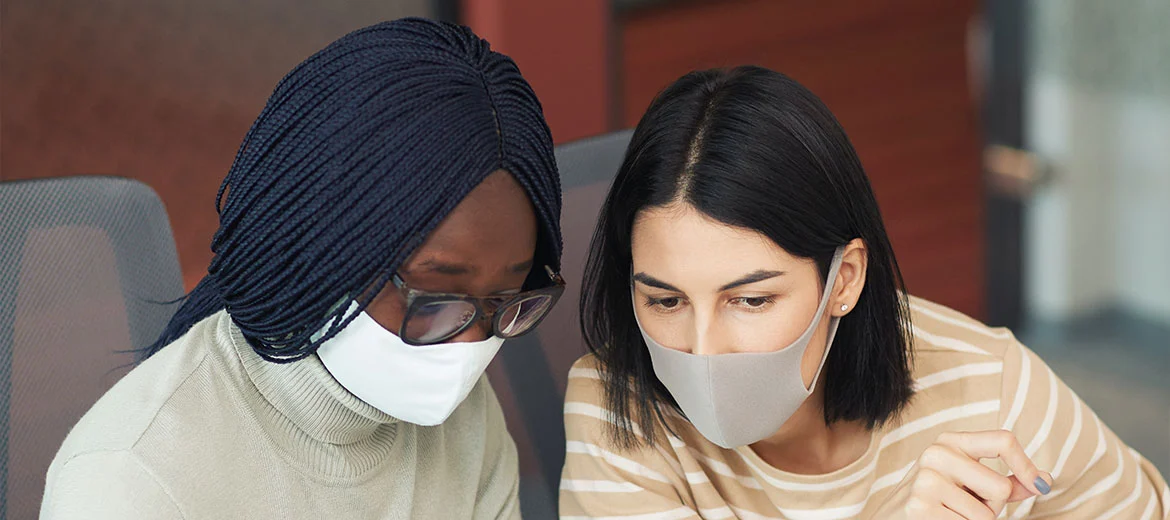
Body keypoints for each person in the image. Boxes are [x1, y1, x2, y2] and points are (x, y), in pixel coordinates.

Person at [561, 66, 1168, 519]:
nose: (703, 350)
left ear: (844, 279)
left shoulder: (994, 388)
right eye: (665, 301)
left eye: (751, 300)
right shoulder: (617, 411)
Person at [42, 18, 564, 519]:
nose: (470, 348)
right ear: (322, 245)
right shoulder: (130, 483)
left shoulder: (468, 420)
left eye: (503, 300)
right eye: (436, 298)